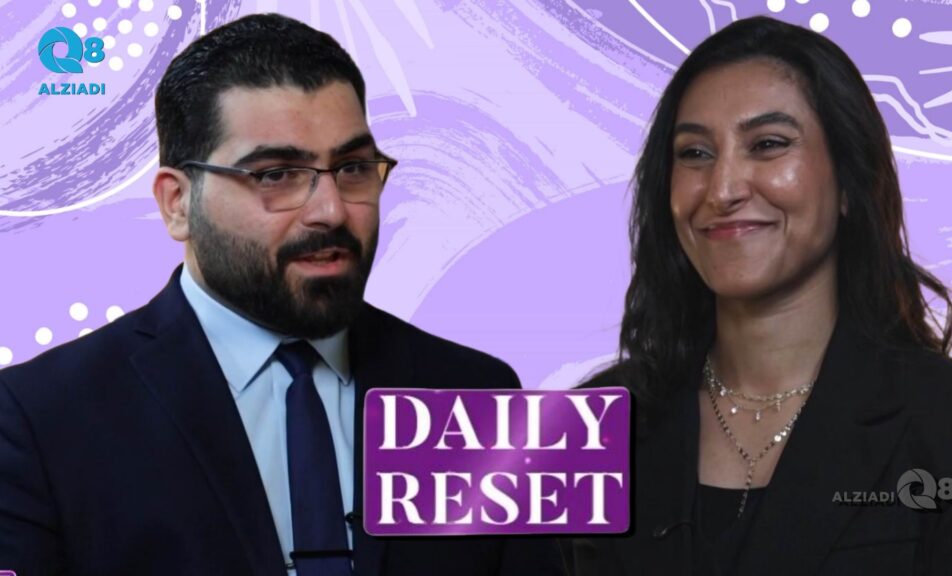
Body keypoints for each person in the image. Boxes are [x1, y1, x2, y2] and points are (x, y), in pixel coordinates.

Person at [0, 14, 565, 576]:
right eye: (276, 174)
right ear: (177, 203)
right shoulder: (40, 418)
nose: (331, 211)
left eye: (353, 168)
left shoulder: (476, 393)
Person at [571, 16, 952, 576]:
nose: (722, 189)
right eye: (695, 153)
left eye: (768, 145)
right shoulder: (590, 425)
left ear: (850, 183)